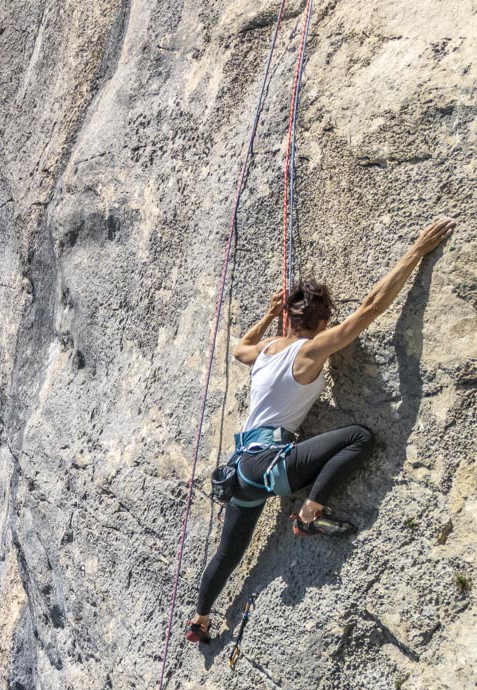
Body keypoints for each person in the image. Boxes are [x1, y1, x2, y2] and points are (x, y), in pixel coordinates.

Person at [185, 216, 456, 644]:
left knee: (228, 552)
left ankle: (200, 619)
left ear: (287, 319)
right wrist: (415, 253)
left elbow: (239, 348)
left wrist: (268, 314)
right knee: (359, 437)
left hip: (242, 469)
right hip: (269, 463)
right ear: (324, 320)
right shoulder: (311, 351)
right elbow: (371, 308)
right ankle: (310, 514)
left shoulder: (266, 350)